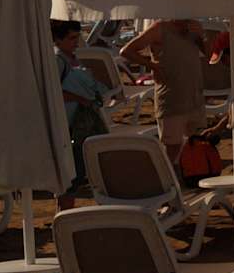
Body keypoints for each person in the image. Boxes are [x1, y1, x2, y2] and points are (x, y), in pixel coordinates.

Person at [121, 18, 209, 159]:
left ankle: (187, 172)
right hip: (172, 100)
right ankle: (170, 173)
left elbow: (210, 56)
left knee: (197, 146)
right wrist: (153, 66)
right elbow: (126, 51)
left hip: (195, 98)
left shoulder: (193, 27)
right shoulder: (159, 28)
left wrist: (202, 37)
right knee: (172, 149)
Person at [51, 21, 109, 209]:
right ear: (58, 40)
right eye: (72, 38)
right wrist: (82, 99)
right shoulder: (58, 60)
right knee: (71, 175)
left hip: (78, 123)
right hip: (70, 126)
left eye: (77, 37)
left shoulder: (70, 58)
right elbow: (53, 92)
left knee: (77, 172)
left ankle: (65, 211)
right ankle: (64, 212)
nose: (76, 42)